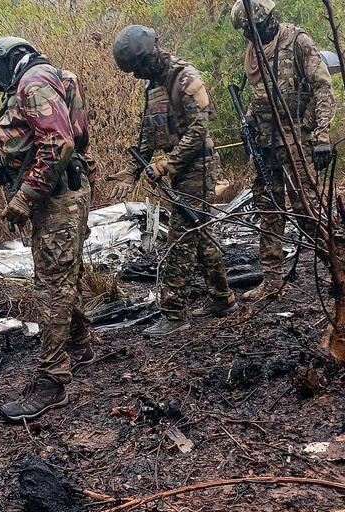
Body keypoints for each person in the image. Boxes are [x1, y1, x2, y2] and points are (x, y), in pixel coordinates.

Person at [0, 36, 95, 423]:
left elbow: (59, 143)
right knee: (64, 276)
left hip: (56, 199)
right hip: (66, 194)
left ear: (5, 64)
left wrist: (23, 199)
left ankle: (52, 382)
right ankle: (80, 343)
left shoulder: (33, 83)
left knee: (50, 286)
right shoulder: (54, 77)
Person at [107, 25, 238, 337]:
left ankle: (174, 313)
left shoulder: (186, 77)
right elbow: (147, 132)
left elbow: (199, 130)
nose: (137, 75)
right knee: (201, 234)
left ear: (151, 54)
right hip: (179, 170)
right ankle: (222, 299)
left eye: (138, 67)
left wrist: (167, 163)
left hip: (198, 166)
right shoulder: (152, 86)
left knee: (180, 237)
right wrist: (131, 170)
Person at [230, 0, 334, 303]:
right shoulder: (253, 52)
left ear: (266, 21)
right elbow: (259, 95)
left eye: (253, 29)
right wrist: (247, 121)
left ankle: (335, 269)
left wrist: (322, 134)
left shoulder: (297, 41)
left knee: (307, 208)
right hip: (266, 143)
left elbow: (322, 87)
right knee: (269, 210)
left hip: (296, 140)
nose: (250, 36)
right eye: (246, 32)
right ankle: (273, 281)